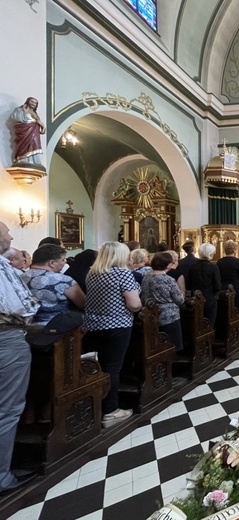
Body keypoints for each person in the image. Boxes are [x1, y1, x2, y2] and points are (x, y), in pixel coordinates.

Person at [0, 220, 40, 495]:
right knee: (7, 408)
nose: (11, 235)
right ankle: (2, 475)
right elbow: (16, 305)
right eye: (6, 232)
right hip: (7, 337)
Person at [84, 242, 142, 429]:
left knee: (96, 367)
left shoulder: (93, 273)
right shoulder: (122, 273)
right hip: (117, 325)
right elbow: (134, 304)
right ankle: (110, 411)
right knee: (112, 368)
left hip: (92, 325)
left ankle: (93, 408)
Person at [21, 244, 86, 324]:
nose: (65, 262)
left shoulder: (19, 278)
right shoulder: (64, 280)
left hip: (23, 327)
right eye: (63, 260)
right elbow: (83, 304)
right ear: (52, 263)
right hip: (57, 328)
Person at [141, 252, 185, 351]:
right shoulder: (168, 279)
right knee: (172, 346)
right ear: (168, 264)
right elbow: (179, 300)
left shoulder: (146, 277)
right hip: (169, 316)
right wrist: (182, 294)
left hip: (150, 315)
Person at [187, 243, 222, 324]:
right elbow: (218, 287)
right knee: (209, 324)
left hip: (195, 300)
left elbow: (188, 285)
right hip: (210, 300)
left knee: (197, 324)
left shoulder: (193, 267)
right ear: (210, 253)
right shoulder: (213, 267)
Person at [11, 97, 45, 166]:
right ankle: (22, 159)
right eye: (32, 101)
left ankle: (34, 161)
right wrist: (24, 110)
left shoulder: (34, 113)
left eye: (35, 103)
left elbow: (38, 121)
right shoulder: (20, 110)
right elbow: (16, 117)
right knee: (24, 144)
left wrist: (43, 127)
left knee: (34, 144)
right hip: (24, 131)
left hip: (34, 132)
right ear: (28, 101)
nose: (33, 104)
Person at [216, 240, 239, 316]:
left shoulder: (220, 262)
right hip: (236, 287)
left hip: (223, 288)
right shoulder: (238, 262)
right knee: (236, 307)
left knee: (224, 309)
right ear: (234, 250)